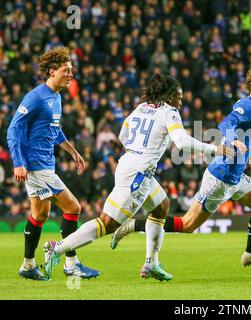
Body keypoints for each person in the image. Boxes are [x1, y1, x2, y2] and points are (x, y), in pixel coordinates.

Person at [43, 74, 233, 280]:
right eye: (179, 96)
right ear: (169, 96)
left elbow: (123, 135)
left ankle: (152, 263)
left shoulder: (141, 107)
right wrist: (216, 149)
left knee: (161, 206)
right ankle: (57, 249)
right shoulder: (170, 112)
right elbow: (182, 142)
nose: (181, 100)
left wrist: (140, 149)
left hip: (130, 164)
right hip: (138, 175)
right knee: (107, 223)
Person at [112, 66, 251, 267]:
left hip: (237, 176)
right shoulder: (248, 106)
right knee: (188, 224)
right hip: (221, 178)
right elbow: (226, 124)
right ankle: (134, 225)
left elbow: (247, 137)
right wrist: (232, 140)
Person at [6, 47, 99, 280]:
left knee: (40, 215)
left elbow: (54, 130)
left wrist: (73, 151)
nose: (71, 74)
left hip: (46, 163)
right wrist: (18, 163)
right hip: (36, 165)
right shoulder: (36, 97)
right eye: (66, 70)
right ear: (52, 71)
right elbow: (13, 129)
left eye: (72, 70)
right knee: (73, 208)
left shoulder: (56, 97)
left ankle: (28, 265)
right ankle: (71, 263)